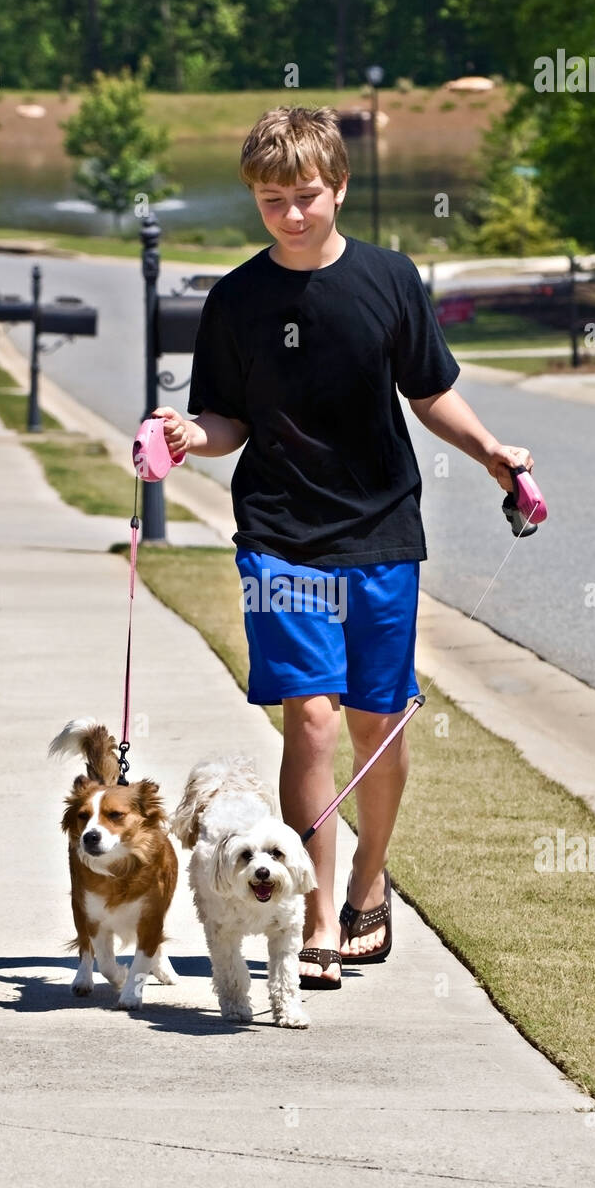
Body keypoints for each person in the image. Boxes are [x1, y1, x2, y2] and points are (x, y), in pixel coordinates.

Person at [154, 105, 533, 987]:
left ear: (340, 188)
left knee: (377, 720)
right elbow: (227, 420)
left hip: (380, 529)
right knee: (312, 717)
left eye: (306, 195)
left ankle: (369, 881)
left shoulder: (390, 281)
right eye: (272, 198)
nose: (291, 213)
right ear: (254, 196)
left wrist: (492, 454)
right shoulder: (237, 299)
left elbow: (429, 391)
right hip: (281, 535)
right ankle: (318, 909)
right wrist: (185, 436)